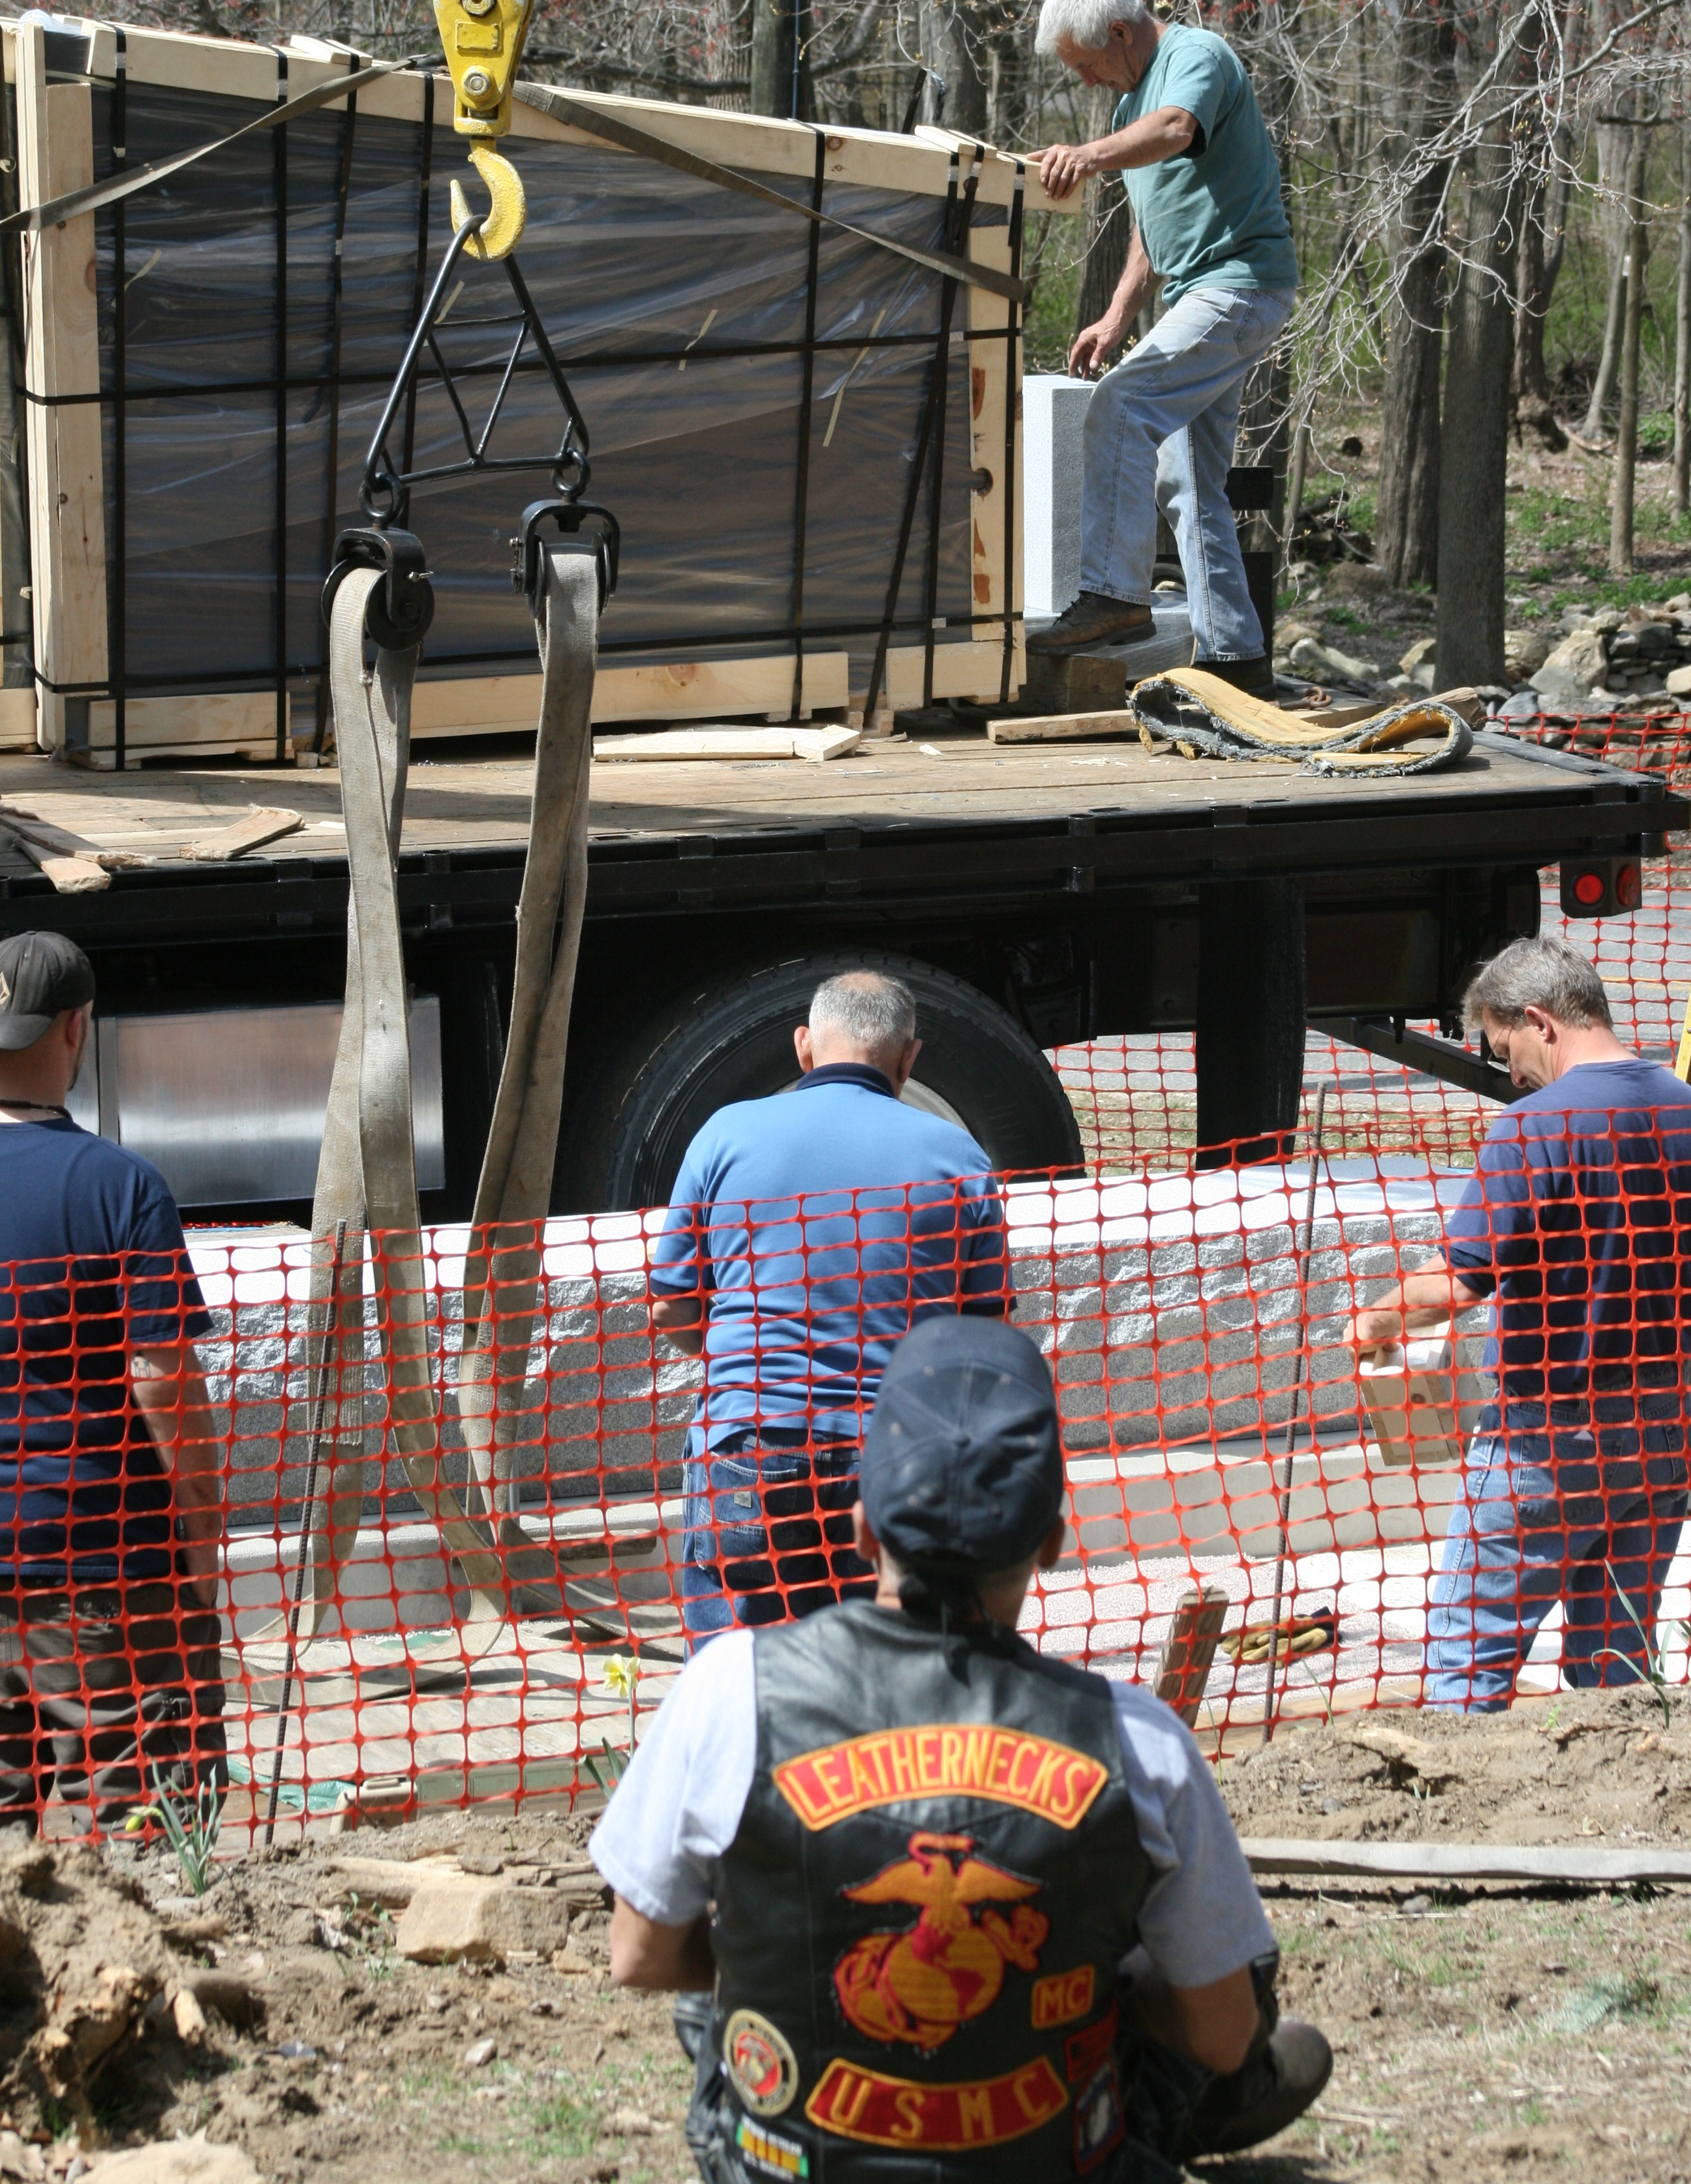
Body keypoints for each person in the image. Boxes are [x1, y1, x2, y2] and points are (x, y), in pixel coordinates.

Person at [591, 1315, 1332, 2184]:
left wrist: (785, 1959)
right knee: (1231, 1989)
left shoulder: (729, 1691)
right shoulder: (1139, 1742)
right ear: (1051, 1542)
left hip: (792, 2166)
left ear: (862, 1528)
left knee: (714, 2005)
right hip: (1044, 2162)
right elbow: (1224, 2035)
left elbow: (639, 1955)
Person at [1344, 934, 1691, 1711]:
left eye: (1507, 1051)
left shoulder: (1533, 1126)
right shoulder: (1682, 1107)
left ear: (1540, 1020)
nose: (1512, 1075)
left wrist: (1376, 1318)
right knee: (1618, 1661)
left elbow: (1462, 1282)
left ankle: (1453, 1792)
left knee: (1469, 1653)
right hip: (1668, 1430)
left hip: (1550, 1439)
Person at [647, 968, 1013, 1646]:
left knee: (745, 1680)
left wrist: (742, 1360)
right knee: (893, 1670)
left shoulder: (725, 1135)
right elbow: (987, 1336)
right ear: (909, 1058)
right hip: (901, 1453)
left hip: (752, 1444)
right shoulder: (959, 1155)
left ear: (804, 1046)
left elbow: (671, 1309)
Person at [0, 930, 224, 1828]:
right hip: (101, 1568)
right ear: (76, 1027)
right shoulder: (120, 1187)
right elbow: (163, 1381)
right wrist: (202, 1536)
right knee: (147, 1833)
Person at [1028, 0, 1299, 701]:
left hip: (1240, 286)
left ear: (1120, 32)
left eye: (1087, 65)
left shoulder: (1195, 56)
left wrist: (1087, 156)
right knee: (1189, 479)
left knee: (1120, 406)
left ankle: (1113, 595)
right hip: (1201, 293)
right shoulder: (1130, 105)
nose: (1086, 82)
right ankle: (1237, 658)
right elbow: (1154, 227)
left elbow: (1178, 129)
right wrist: (1118, 314)